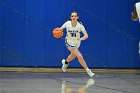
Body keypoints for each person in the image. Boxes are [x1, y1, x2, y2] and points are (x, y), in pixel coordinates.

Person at [56, 11, 95, 77]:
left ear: (77, 17)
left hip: (77, 43)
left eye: (75, 16)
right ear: (70, 17)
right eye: (72, 16)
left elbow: (86, 35)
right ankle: (88, 71)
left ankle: (65, 62)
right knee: (79, 56)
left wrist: (80, 39)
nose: (73, 17)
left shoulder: (80, 25)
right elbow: (60, 29)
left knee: (73, 55)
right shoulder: (67, 23)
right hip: (69, 42)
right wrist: (56, 32)